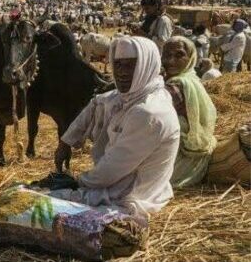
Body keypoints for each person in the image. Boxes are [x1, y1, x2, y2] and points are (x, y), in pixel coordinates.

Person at [48, 36, 180, 221]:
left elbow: (110, 170)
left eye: (131, 65)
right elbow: (97, 103)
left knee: (39, 202)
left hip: (129, 194)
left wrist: (77, 183)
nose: (122, 73)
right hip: (116, 184)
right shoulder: (131, 96)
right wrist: (65, 142)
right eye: (118, 65)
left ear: (147, 65)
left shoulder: (149, 112)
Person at [162, 36, 217, 188]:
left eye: (179, 55)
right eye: (167, 55)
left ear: (191, 57)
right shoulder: (192, 78)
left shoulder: (176, 85)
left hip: (183, 159)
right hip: (196, 154)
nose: (171, 61)